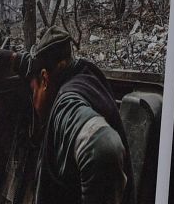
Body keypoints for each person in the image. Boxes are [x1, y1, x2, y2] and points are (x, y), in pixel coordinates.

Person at [11, 28, 130, 204]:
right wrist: (16, 59)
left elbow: (103, 145)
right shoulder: (86, 75)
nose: (34, 102)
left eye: (33, 90)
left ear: (44, 79)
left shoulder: (64, 106)